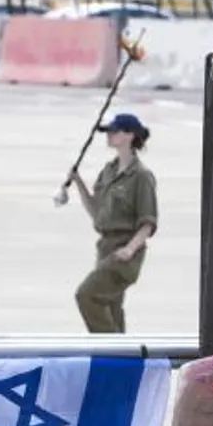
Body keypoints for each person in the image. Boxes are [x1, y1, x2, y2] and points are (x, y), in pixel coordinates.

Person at [71, 112, 158, 333]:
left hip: (125, 251)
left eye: (114, 131)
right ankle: (124, 355)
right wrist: (78, 183)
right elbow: (96, 212)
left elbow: (147, 222)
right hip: (105, 248)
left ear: (130, 135)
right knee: (111, 307)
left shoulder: (141, 176)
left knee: (87, 295)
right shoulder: (108, 171)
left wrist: (130, 249)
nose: (109, 136)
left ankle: (110, 350)